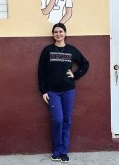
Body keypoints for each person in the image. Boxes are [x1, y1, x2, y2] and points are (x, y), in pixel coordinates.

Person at [38, 23, 89, 163]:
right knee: (58, 120)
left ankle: (64, 152)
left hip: (68, 91)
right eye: (56, 32)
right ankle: (57, 151)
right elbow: (41, 72)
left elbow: (85, 64)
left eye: (61, 31)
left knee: (67, 121)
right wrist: (43, 91)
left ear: (65, 33)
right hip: (53, 92)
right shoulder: (47, 50)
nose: (58, 34)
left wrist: (75, 75)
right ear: (53, 34)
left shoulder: (72, 50)